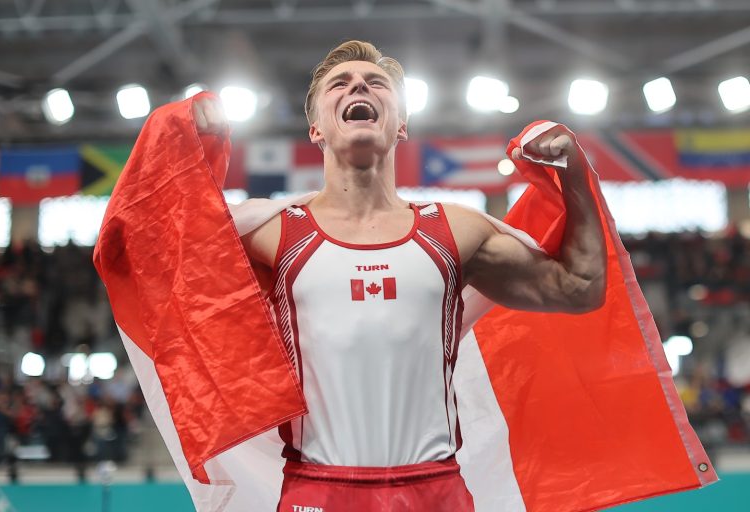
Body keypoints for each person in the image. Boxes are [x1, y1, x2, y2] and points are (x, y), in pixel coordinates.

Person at [191, 40, 606, 511]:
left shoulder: (455, 231)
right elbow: (155, 262)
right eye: (339, 84)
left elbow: (580, 289)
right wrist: (183, 141)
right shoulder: (270, 232)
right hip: (318, 491)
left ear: (401, 124)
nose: (358, 87)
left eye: (375, 83)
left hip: (434, 492)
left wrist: (572, 171)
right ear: (316, 129)